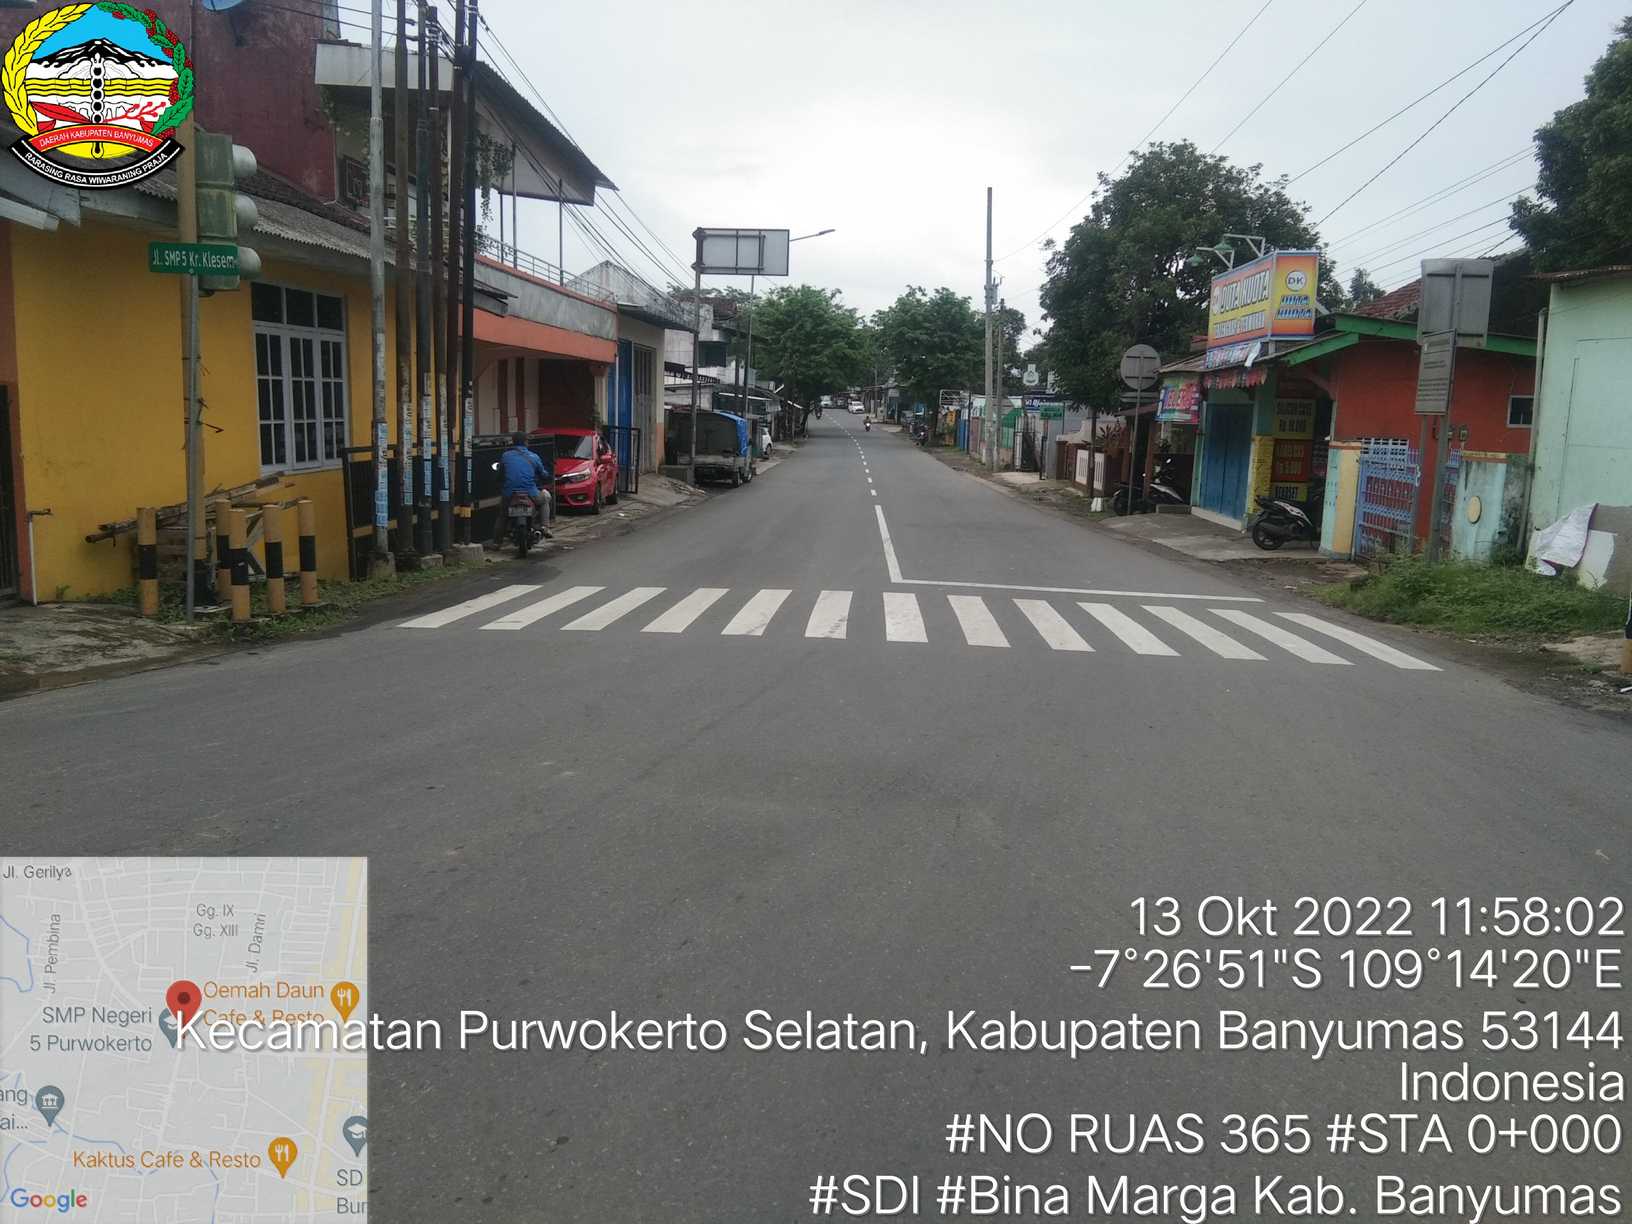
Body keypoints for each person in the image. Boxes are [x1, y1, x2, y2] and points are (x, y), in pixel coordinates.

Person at [494, 432, 552, 546]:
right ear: (526, 442)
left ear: (513, 442)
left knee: (502, 515)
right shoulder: (534, 457)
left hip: (510, 493)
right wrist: (546, 476)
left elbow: (500, 474)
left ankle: (497, 542)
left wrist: (499, 481)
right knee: (545, 497)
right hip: (530, 492)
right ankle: (545, 527)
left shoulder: (506, 456)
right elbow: (543, 473)